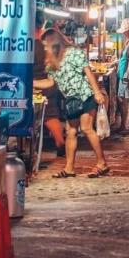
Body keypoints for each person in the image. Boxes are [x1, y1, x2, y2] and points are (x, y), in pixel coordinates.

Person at [38, 29, 110, 179]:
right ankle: (69, 168)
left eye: (46, 45)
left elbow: (88, 73)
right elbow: (50, 82)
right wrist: (31, 83)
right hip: (71, 100)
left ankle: (102, 163)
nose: (44, 48)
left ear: (53, 43)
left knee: (87, 128)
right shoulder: (52, 62)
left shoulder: (74, 53)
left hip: (85, 96)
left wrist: (97, 92)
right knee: (71, 132)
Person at [32, 11, 65, 157]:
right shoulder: (45, 44)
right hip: (49, 85)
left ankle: (58, 144)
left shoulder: (31, 46)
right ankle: (60, 143)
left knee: (46, 115)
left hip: (39, 85)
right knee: (50, 115)